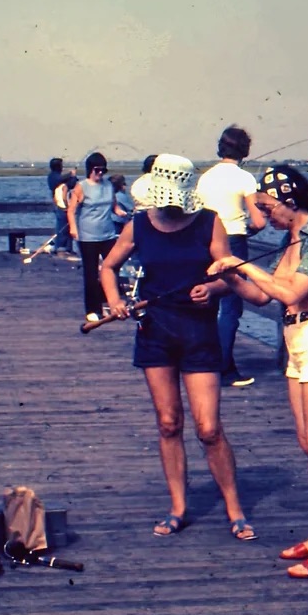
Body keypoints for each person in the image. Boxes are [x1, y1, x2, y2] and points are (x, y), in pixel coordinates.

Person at [208, 165, 308, 579]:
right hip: (296, 342)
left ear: (289, 200)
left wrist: (240, 262)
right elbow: (264, 296)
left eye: (267, 206)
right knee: (307, 443)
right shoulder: (289, 241)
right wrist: (230, 277)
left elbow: (292, 291)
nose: (264, 215)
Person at [100, 154, 258, 542]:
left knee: (208, 429)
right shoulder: (139, 224)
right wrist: (116, 301)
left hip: (199, 332)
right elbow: (108, 267)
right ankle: (178, 508)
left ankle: (235, 511)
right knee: (168, 423)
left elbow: (229, 275)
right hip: (155, 330)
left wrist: (213, 288)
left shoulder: (209, 222)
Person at [196, 125, 267, 388]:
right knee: (230, 307)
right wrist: (248, 228)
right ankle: (224, 368)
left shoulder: (205, 177)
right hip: (233, 241)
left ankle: (204, 364)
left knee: (208, 301)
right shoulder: (245, 178)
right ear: (244, 150)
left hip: (204, 242)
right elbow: (259, 221)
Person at [67, 152, 125, 321]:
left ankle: (111, 302)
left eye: (103, 170)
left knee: (112, 268)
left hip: (108, 234)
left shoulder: (108, 185)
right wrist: (73, 228)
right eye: (97, 170)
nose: (100, 174)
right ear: (90, 170)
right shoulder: (82, 186)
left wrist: (121, 213)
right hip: (88, 236)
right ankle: (93, 309)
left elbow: (113, 206)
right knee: (91, 273)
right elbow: (72, 210)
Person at [46, 158, 78, 257]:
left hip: (61, 204)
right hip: (60, 205)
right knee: (61, 228)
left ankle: (67, 248)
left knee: (68, 228)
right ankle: (60, 248)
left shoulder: (59, 178)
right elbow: (60, 180)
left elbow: (72, 184)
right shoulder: (53, 177)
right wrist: (70, 174)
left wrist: (73, 176)